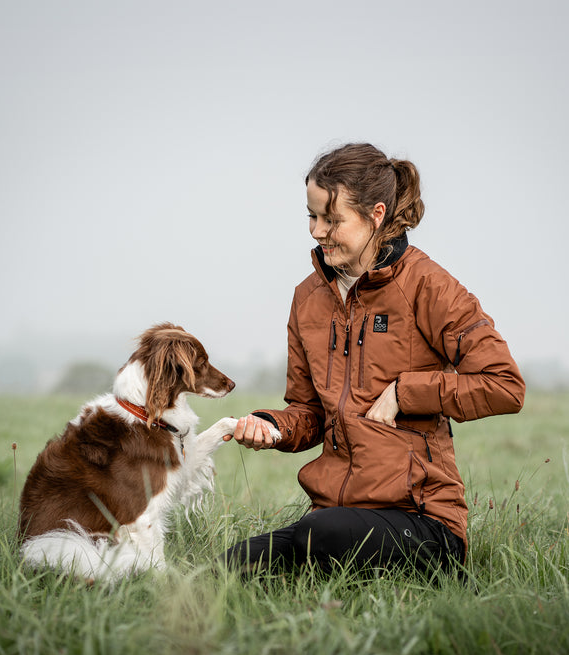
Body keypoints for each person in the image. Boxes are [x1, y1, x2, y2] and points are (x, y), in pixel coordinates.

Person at [224, 142, 525, 577]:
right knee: (228, 568)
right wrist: (272, 426)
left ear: (376, 215)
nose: (316, 231)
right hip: (337, 515)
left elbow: (505, 386)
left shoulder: (428, 286)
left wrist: (408, 391)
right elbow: (309, 413)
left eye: (332, 220)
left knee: (319, 535)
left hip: (424, 523)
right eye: (312, 216)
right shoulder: (307, 299)